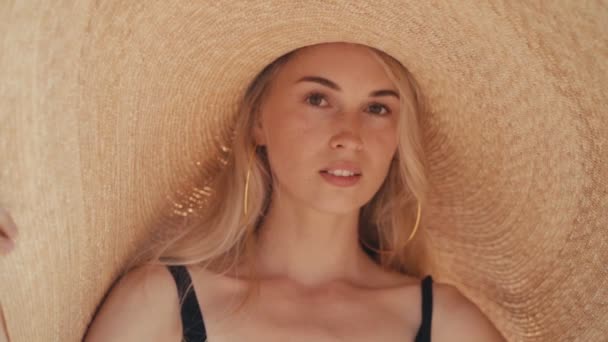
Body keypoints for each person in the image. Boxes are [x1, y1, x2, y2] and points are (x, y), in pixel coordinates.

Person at [84, 42, 505, 341]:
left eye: (378, 108)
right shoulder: (162, 303)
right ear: (258, 122)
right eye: (318, 99)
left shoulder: (447, 324)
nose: (350, 136)